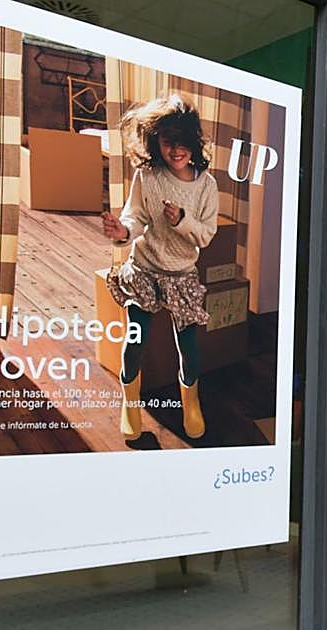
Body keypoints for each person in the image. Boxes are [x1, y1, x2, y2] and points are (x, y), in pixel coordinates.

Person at [102, 93, 218, 441]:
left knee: (189, 346)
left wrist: (182, 220)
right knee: (134, 339)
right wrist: (123, 232)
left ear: (194, 143)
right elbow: (134, 216)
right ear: (156, 143)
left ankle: (191, 404)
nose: (176, 151)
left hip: (182, 274)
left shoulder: (207, 186)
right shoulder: (148, 176)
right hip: (145, 269)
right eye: (168, 143)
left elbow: (206, 236)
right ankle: (130, 402)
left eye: (182, 143)